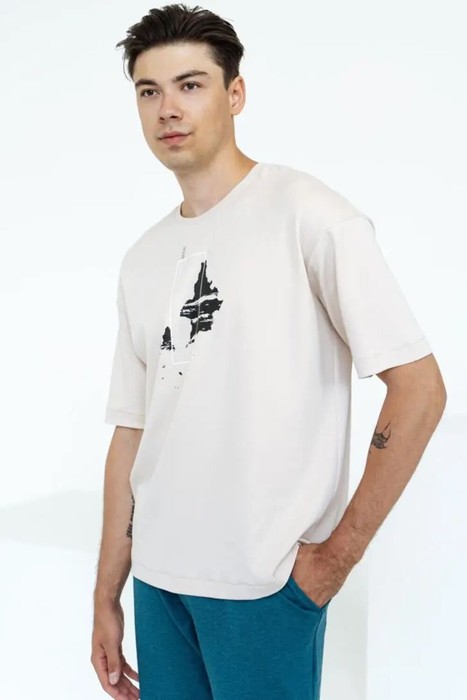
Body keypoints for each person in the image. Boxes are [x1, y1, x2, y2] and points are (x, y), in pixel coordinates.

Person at [90, 4, 447, 699]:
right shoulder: (143, 258)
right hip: (159, 586)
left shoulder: (310, 216)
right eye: (149, 90)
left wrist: (334, 560)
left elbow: (420, 388)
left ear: (235, 94)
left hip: (263, 587)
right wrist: (108, 591)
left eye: (190, 85)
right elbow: (132, 431)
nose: (168, 109)